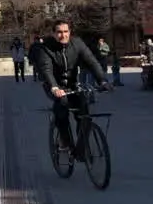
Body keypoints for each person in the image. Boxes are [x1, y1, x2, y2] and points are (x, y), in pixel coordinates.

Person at [32, 19, 110, 158]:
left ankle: (81, 147)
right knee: (61, 106)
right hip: (54, 85)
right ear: (53, 33)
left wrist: (102, 81)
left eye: (66, 31)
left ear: (70, 32)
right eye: (59, 32)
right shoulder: (46, 48)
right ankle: (65, 141)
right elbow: (46, 69)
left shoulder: (77, 43)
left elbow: (92, 62)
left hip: (73, 85)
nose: (63, 35)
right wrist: (54, 87)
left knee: (84, 112)